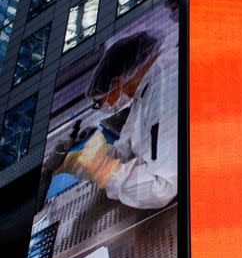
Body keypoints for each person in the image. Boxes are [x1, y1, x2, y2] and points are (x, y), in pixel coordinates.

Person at [61, 30, 178, 210]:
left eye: (101, 101)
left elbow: (161, 187)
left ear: (116, 82)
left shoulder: (166, 84)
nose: (107, 106)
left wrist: (106, 171)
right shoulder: (145, 91)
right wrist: (78, 163)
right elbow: (126, 150)